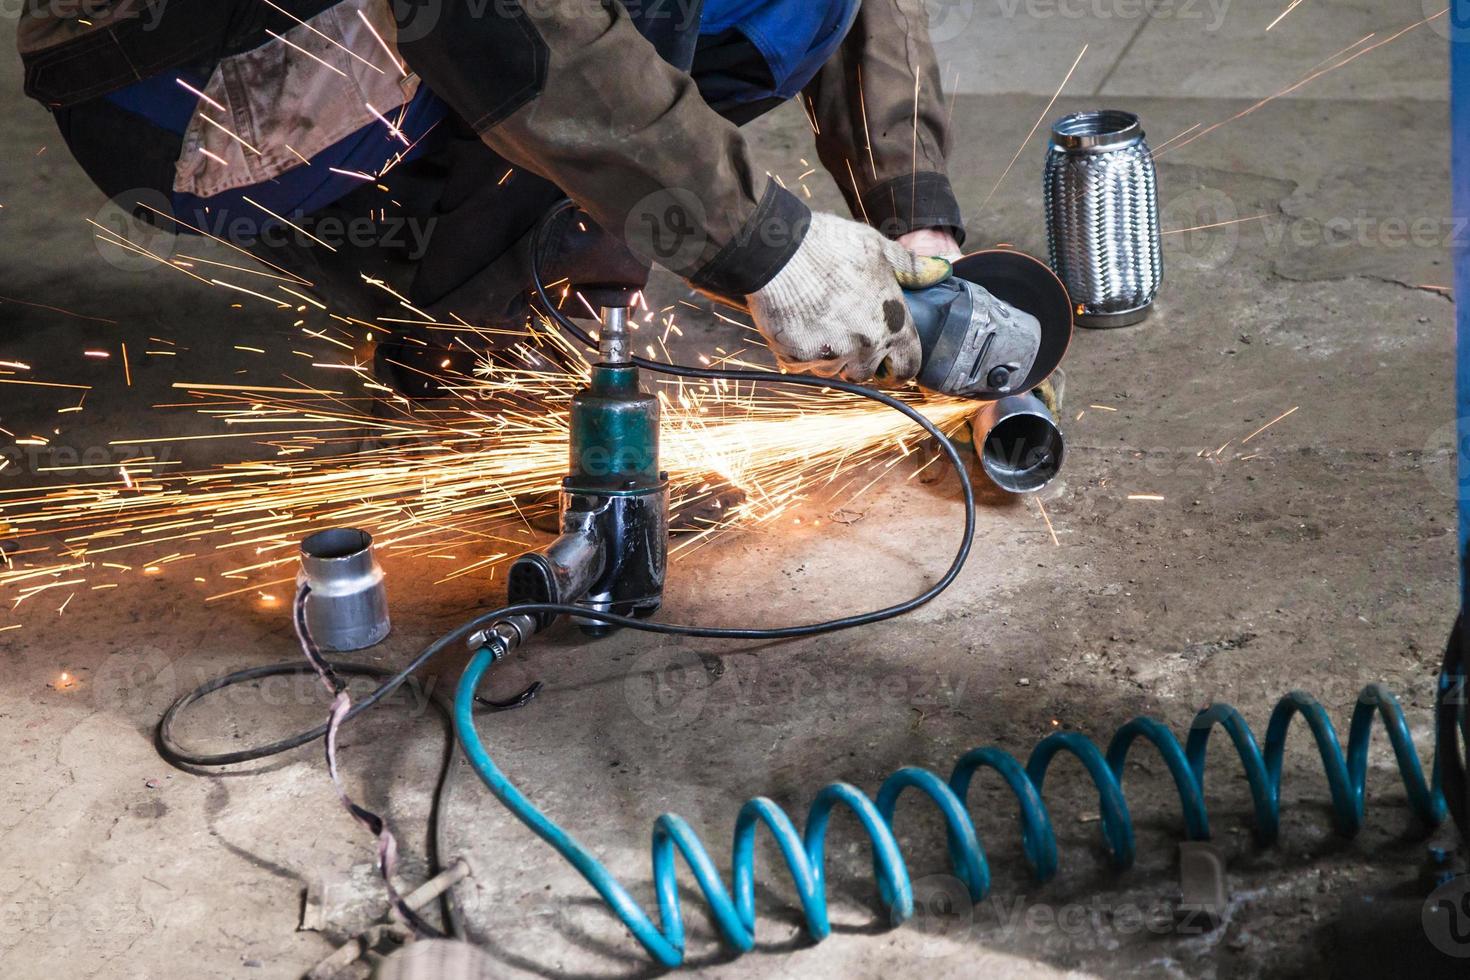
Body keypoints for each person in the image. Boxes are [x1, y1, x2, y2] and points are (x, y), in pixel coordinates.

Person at [19, 0, 967, 395]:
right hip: (186, 79)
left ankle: (507, 274)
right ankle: (484, 337)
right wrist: (770, 249)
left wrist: (910, 203)